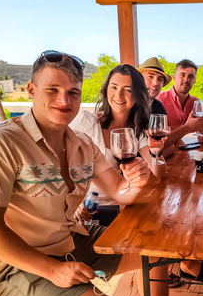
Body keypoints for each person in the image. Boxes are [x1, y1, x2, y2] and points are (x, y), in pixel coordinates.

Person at [0, 51, 168, 296]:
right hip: (17, 265)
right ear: (31, 90)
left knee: (157, 253)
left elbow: (118, 190)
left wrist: (136, 183)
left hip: (72, 241)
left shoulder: (82, 145)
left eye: (73, 92)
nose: (64, 100)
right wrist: (51, 270)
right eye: (53, 89)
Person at [70, 64, 167, 208]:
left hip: (120, 204)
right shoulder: (87, 123)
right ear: (106, 89)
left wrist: (155, 153)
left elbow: (160, 172)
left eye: (128, 90)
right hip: (88, 207)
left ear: (137, 95)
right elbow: (61, 162)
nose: (119, 95)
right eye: (114, 87)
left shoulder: (136, 129)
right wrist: (74, 200)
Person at [157, 59, 203, 145]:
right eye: (182, 75)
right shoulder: (159, 100)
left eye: (190, 76)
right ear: (174, 77)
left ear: (194, 81)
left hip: (180, 149)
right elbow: (157, 142)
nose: (186, 79)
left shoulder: (195, 102)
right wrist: (188, 128)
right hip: (163, 151)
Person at [137, 57, 176, 157]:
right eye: (150, 76)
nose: (155, 83)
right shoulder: (129, 106)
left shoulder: (158, 107)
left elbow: (163, 143)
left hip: (151, 163)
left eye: (160, 79)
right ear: (139, 79)